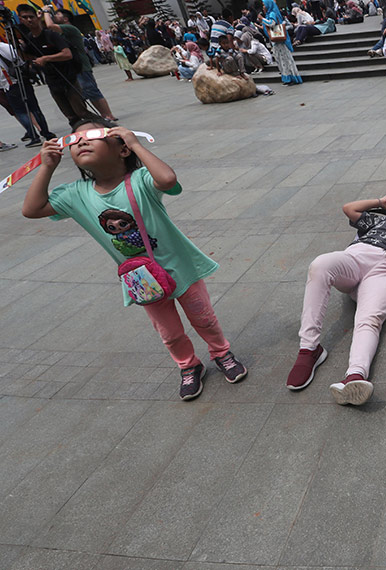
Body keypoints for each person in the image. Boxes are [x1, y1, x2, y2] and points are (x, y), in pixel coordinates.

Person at [21, 120, 248, 401]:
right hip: (141, 279)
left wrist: (137, 143)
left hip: (181, 268)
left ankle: (221, 352)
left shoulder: (140, 180)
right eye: (74, 140)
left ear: (122, 149)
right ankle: (188, 366)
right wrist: (47, 167)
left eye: (93, 136)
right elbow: (31, 210)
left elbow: (167, 180)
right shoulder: (75, 195)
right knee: (169, 332)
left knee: (204, 318)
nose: (81, 142)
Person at [286, 196, 386, 406]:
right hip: (357, 258)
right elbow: (348, 208)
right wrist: (379, 202)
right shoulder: (380, 220)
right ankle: (309, 348)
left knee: (370, 319)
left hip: (384, 272)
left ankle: (355, 376)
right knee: (320, 265)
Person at [16, 4, 94, 127]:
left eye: (31, 17)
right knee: (71, 116)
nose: (29, 20)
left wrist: (46, 58)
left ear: (38, 17)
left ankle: (107, 128)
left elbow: (67, 54)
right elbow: (27, 57)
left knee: (81, 112)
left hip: (68, 78)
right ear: (20, 19)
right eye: (25, 17)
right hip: (52, 81)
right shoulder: (29, 39)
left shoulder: (51, 35)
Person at [44, 8, 118, 122]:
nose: (54, 15)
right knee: (84, 92)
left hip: (81, 66)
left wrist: (46, 12)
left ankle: (108, 115)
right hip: (73, 67)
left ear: (65, 18)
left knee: (91, 90)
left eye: (57, 14)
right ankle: (103, 115)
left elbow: (49, 26)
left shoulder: (69, 28)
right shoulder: (61, 32)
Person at [0, 40, 56, 147]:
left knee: (21, 112)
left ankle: (34, 136)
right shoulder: (6, 46)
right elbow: (21, 59)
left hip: (9, 84)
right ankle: (46, 132)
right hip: (22, 79)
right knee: (35, 108)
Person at [261, 0, 303, 85]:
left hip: (280, 41)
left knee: (284, 60)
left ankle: (291, 78)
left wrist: (262, 19)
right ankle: (287, 78)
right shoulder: (270, 13)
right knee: (282, 60)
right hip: (277, 41)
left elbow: (272, 23)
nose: (263, 7)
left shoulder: (272, 13)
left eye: (264, 5)